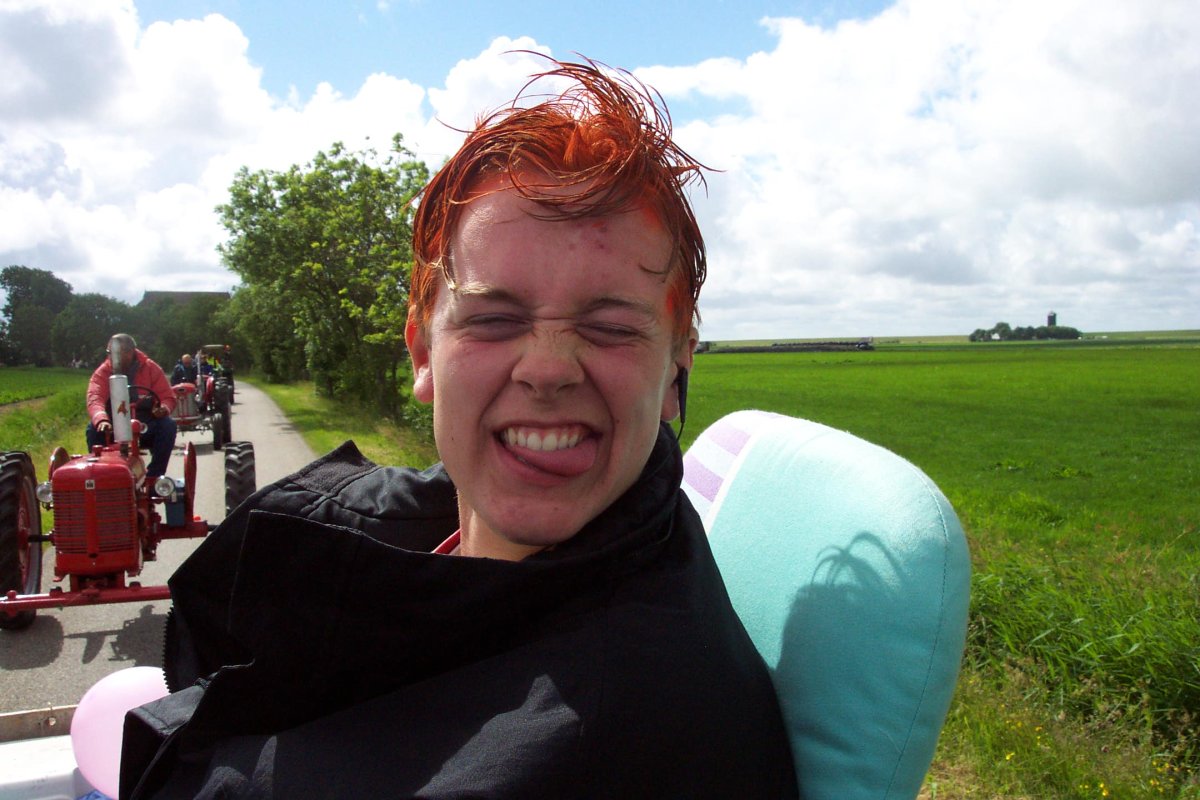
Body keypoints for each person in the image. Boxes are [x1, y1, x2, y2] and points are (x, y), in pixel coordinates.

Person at [120, 57, 797, 799]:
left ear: (674, 367)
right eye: (495, 319)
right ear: (423, 353)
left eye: (609, 327)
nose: (548, 368)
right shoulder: (445, 527)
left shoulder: (600, 744)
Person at [85, 333, 177, 477]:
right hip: (112, 425)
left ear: (130, 352)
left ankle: (154, 475)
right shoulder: (102, 372)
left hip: (145, 424)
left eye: (116, 353)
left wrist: (163, 409)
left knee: (168, 426)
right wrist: (101, 419)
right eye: (110, 353)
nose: (112, 358)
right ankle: (102, 474)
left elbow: (167, 397)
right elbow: (95, 397)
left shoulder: (151, 368)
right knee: (93, 430)